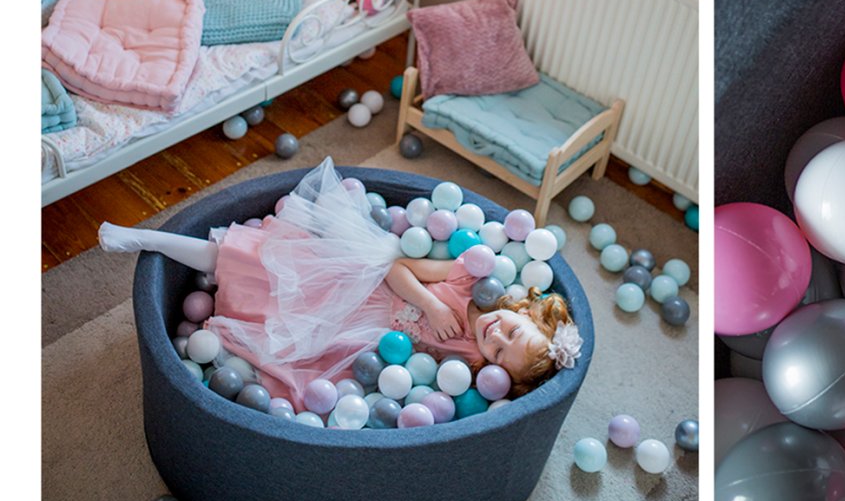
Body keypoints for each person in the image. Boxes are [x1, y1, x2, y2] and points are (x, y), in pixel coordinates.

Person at [100, 160, 581, 408]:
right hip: (356, 283)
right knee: (255, 258)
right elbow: (396, 267)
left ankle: (214, 317)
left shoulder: (472, 366)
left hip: (361, 339)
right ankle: (150, 239)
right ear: (521, 311)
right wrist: (432, 307)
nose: (495, 338)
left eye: (499, 354)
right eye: (511, 331)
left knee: (281, 345)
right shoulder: (467, 281)